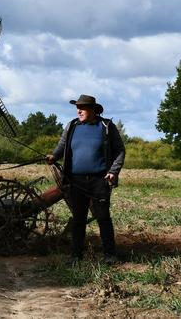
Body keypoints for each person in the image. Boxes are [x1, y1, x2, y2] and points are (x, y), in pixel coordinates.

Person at [45, 94, 125, 264]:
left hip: (99, 181)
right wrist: (54, 156)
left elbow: (119, 150)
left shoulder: (106, 126)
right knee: (78, 219)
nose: (78, 110)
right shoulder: (72, 126)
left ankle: (110, 256)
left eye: (82, 108)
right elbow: (62, 146)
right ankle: (76, 256)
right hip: (76, 181)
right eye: (77, 107)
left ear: (93, 110)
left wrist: (114, 171)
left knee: (103, 217)